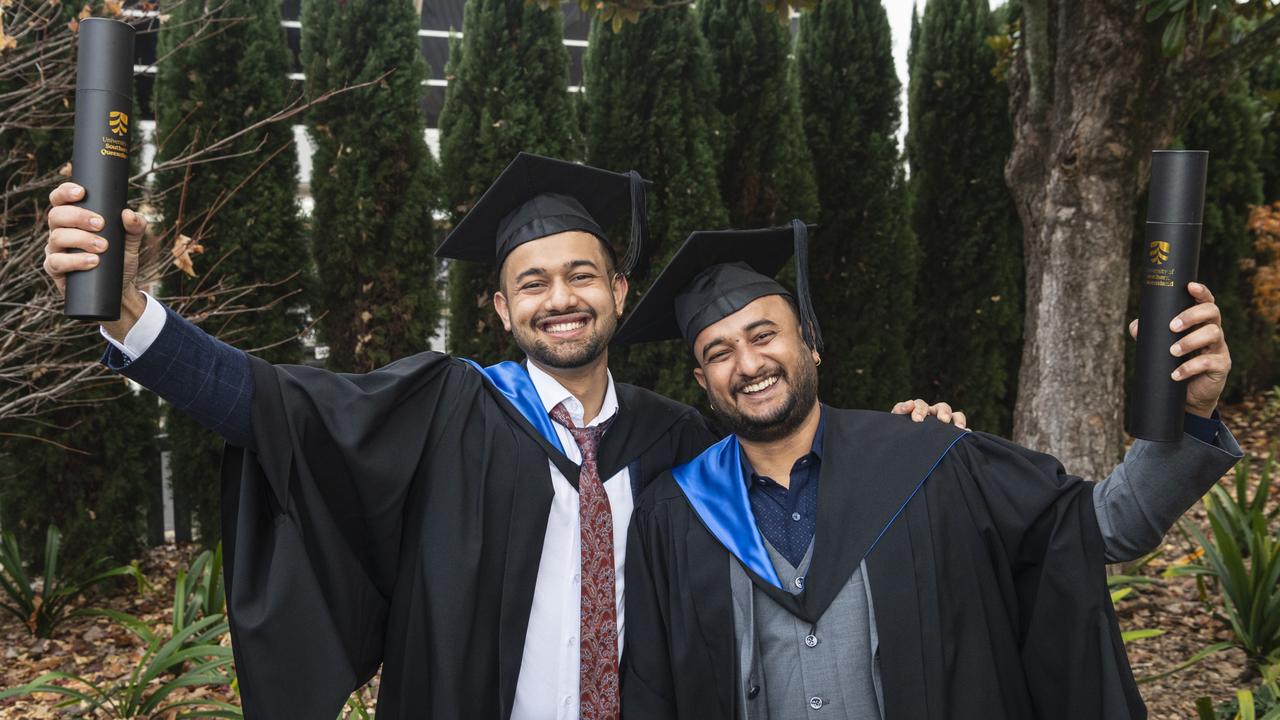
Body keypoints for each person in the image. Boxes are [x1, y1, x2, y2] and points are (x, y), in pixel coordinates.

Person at [42, 154, 960, 719]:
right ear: (500, 307)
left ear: (617, 292)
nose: (560, 299)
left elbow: (796, 470)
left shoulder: (679, 440)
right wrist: (132, 317)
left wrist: (910, 440)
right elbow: (271, 405)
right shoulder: (445, 406)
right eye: (533, 283)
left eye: (581, 276)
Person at [613, 222, 1243, 720]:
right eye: (718, 353)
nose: (748, 365)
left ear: (810, 341)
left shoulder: (926, 459)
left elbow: (1107, 526)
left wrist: (1188, 415)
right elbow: (651, 692)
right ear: (702, 380)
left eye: (763, 336)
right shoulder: (674, 515)